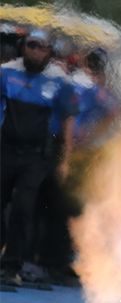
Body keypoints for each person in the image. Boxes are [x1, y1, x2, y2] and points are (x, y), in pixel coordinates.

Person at [1, 29, 77, 286]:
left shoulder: (59, 81)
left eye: (41, 47)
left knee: (23, 207)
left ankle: (12, 266)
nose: (35, 51)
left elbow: (68, 121)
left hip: (36, 155)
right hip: (5, 149)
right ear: (23, 46)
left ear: (49, 51)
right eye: (31, 45)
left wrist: (65, 161)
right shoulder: (6, 73)